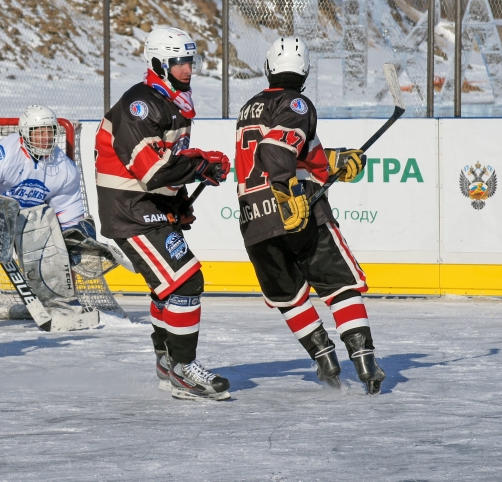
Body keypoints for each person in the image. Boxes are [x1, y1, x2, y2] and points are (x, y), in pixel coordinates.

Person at [234, 36, 386, 395]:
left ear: (269, 69)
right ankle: (364, 362)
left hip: (254, 220)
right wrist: (288, 193)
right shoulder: (298, 102)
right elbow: (276, 149)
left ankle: (326, 360)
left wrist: (339, 161)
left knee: (289, 296)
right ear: (305, 73)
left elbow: (306, 156)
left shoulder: (250, 106)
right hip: (298, 212)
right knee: (339, 286)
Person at [94, 26, 232, 401]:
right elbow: (152, 172)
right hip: (131, 209)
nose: (188, 69)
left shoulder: (172, 100)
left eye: (190, 60)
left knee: (166, 286)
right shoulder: (141, 103)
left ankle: (167, 360)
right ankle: (184, 370)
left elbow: (168, 163)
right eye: (179, 62)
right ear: (159, 63)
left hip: (149, 205)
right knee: (186, 281)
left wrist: (179, 201)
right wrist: (201, 164)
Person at [0, 105, 98, 329]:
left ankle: (61, 308)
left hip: (22, 219)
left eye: (50, 131)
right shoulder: (6, 153)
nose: (45, 138)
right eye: (39, 132)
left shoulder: (64, 168)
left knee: (47, 233)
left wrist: (74, 240)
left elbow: (68, 212)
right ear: (25, 133)